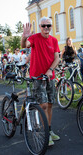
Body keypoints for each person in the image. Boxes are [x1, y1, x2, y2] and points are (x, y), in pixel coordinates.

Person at [21, 16, 60, 146]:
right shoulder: (34, 38)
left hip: (49, 77)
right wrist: (24, 37)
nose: (46, 28)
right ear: (40, 27)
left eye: (48, 25)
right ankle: (45, 135)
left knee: (49, 105)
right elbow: (24, 45)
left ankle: (49, 130)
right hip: (37, 77)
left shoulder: (54, 40)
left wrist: (50, 70)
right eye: (43, 26)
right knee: (42, 105)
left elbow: (57, 59)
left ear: (51, 27)